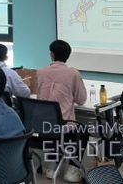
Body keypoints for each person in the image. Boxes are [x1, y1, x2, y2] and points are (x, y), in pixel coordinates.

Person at [36, 39, 87, 182]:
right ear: (68, 56)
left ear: (51, 54)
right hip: (62, 128)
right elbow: (81, 100)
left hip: (41, 126)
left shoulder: (40, 72)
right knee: (83, 131)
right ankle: (72, 170)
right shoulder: (73, 74)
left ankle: (51, 166)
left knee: (53, 126)